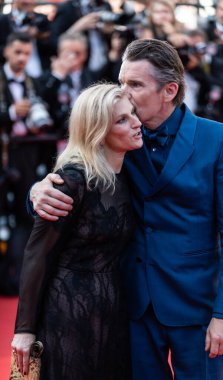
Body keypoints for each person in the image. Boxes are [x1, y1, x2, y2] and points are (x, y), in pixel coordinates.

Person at [28, 39, 223, 380]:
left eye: (135, 84)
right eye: (121, 82)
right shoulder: (118, 136)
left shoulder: (216, 139)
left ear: (169, 90)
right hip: (132, 305)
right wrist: (38, 190)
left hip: (198, 306)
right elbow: (76, 170)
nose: (124, 93)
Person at [11, 83, 142, 379]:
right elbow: (37, 254)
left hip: (113, 310)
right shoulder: (72, 180)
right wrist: (25, 330)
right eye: (122, 119)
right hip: (67, 312)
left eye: (132, 113)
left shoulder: (128, 173)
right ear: (98, 131)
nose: (136, 122)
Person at [0, 32, 54, 295]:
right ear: (6, 52)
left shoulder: (33, 83)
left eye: (27, 54)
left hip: (26, 156)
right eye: (17, 52)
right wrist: (11, 113)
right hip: (4, 155)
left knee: (25, 217)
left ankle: (17, 279)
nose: (22, 58)